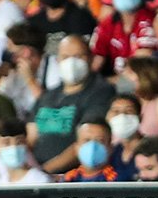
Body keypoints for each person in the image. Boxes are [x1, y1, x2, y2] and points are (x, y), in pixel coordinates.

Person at [29, 35, 115, 173]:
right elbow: (31, 136)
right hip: (38, 172)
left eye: (79, 56)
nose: (72, 62)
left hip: (69, 175)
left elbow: (84, 140)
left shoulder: (101, 92)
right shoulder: (48, 95)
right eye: (66, 57)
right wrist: (30, 171)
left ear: (91, 58)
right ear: (57, 61)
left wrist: (44, 172)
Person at [91, 0, 157, 75]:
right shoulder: (107, 24)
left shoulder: (150, 21)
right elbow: (96, 60)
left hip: (143, 82)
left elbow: (140, 67)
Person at [0, 118, 51, 184]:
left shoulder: (40, 181)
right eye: (7, 143)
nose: (13, 147)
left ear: (26, 144)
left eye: (19, 142)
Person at [106, 93, 142, 182]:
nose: (122, 116)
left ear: (140, 117)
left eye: (128, 111)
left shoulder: (151, 148)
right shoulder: (111, 152)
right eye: (116, 112)